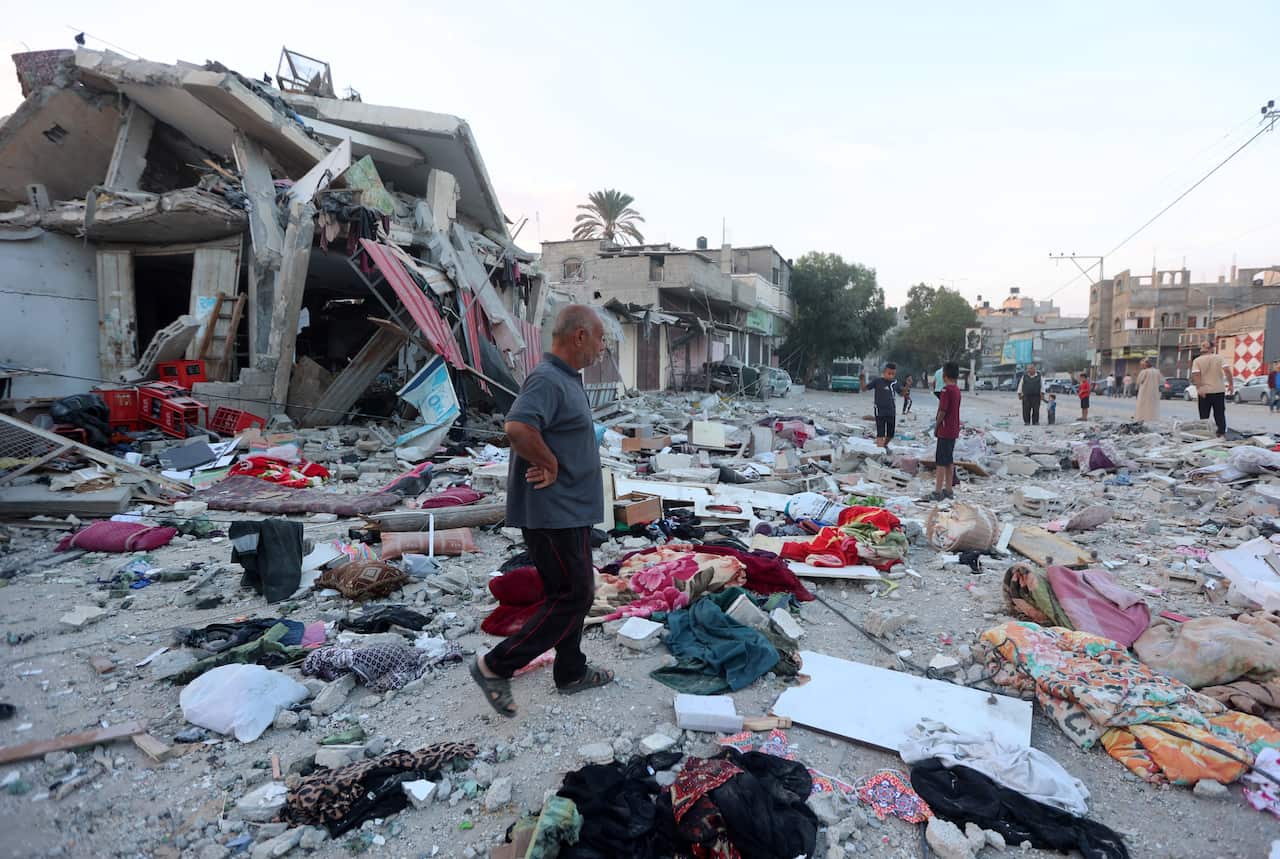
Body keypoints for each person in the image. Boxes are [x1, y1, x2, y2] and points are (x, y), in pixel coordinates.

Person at [471, 304, 614, 717]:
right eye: (601, 338)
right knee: (575, 596)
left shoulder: (566, 379)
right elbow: (517, 427)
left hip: (571, 511)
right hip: (553, 513)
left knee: (568, 594)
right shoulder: (548, 379)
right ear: (580, 336)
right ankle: (494, 666)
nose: (602, 348)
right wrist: (549, 463)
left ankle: (570, 671)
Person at [931, 362, 962, 501]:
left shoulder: (945, 391)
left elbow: (942, 411)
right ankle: (948, 490)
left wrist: (936, 425)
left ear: (944, 375)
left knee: (940, 462)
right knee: (949, 460)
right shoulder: (956, 390)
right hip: (953, 429)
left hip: (944, 429)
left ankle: (937, 492)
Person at [1191, 340, 1234, 438]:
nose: (1202, 346)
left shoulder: (1197, 360)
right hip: (1218, 390)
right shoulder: (1219, 358)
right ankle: (1221, 433)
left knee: (1204, 415)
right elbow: (1227, 370)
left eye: (1203, 345)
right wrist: (1231, 384)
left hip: (1204, 391)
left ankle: (1205, 434)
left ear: (1210, 348)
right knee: (1219, 414)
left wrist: (1199, 388)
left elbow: (1196, 374)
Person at [866, 363, 899, 448]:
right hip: (879, 411)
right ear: (884, 372)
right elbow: (864, 388)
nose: (891, 376)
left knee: (891, 434)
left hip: (891, 411)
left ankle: (884, 445)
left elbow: (902, 393)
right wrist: (862, 380)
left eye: (893, 374)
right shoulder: (877, 381)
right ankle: (880, 451)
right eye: (889, 373)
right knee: (880, 432)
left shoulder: (895, 383)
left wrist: (907, 385)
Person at [1134, 358, 1163, 423]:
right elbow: (1160, 381)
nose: (1141, 366)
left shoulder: (1144, 372)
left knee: (1142, 406)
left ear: (1146, 364)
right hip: (1154, 393)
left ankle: (1141, 419)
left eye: (1142, 365)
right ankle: (1152, 419)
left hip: (1144, 392)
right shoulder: (1157, 371)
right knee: (1152, 407)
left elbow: (1139, 381)